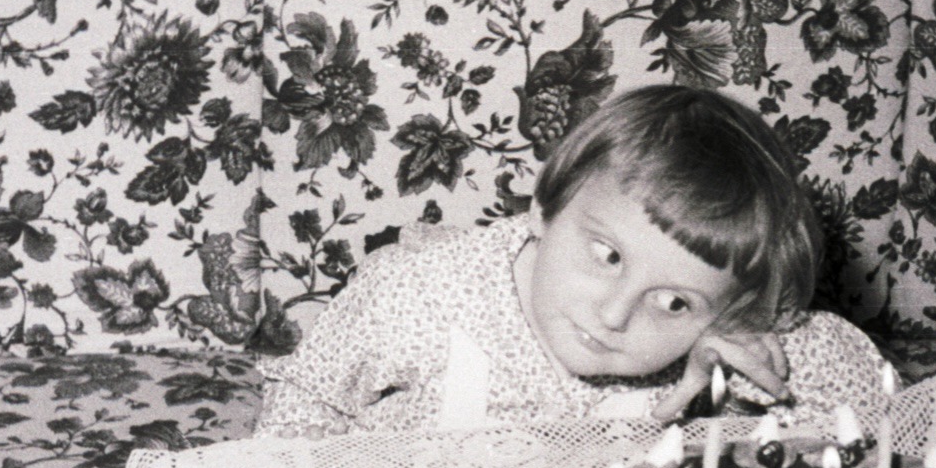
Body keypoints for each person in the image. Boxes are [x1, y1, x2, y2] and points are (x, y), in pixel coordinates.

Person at [254, 85, 891, 438]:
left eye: (674, 302)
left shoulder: (714, 342)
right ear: (544, 207)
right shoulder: (415, 293)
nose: (614, 314)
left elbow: (868, 401)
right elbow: (304, 404)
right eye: (607, 254)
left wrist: (740, 355)